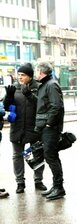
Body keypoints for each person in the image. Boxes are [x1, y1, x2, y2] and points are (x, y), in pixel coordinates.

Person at [3, 63, 46, 194]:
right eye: (19, 74)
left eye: (23, 75)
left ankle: (38, 180)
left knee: (37, 154)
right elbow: (6, 107)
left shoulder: (39, 87)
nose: (20, 77)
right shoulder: (14, 88)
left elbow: (41, 106)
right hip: (17, 128)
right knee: (17, 156)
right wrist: (8, 97)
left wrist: (28, 95)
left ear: (30, 76)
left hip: (34, 128)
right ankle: (20, 182)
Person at [34, 62, 65, 200]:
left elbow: (56, 106)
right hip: (47, 127)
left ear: (41, 72)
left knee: (51, 157)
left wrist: (48, 124)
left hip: (51, 128)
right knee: (51, 156)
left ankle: (59, 187)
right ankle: (56, 186)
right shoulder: (45, 85)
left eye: (36, 71)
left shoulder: (51, 85)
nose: (35, 73)